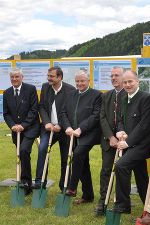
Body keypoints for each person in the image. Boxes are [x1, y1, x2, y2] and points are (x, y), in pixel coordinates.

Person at [60, 69, 102, 204]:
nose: (79, 83)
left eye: (82, 81)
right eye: (77, 81)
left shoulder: (97, 95)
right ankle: (88, 195)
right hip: (72, 134)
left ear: (88, 81)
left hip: (90, 134)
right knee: (83, 164)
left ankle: (72, 187)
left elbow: (96, 116)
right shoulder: (70, 95)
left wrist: (80, 128)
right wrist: (67, 127)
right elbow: (63, 113)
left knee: (78, 154)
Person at [33, 66, 75, 191]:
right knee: (42, 149)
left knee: (66, 156)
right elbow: (41, 107)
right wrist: (46, 122)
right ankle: (40, 182)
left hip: (65, 129)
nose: (49, 78)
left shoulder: (70, 90)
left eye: (52, 76)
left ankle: (65, 185)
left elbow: (70, 112)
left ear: (59, 77)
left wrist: (61, 125)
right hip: (48, 128)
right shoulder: (45, 87)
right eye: (48, 76)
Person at [113, 70, 150, 213]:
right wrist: (120, 131)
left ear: (137, 82)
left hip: (144, 144)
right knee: (141, 176)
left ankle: (123, 205)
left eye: (130, 82)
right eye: (125, 82)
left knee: (121, 166)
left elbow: (144, 125)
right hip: (131, 143)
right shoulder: (123, 97)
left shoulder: (146, 98)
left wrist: (127, 143)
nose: (127, 85)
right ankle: (146, 207)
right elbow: (121, 119)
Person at [3, 68, 40, 195]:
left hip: (30, 128)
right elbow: (6, 113)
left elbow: (34, 110)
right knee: (22, 154)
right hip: (16, 130)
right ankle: (27, 182)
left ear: (22, 77)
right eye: (12, 77)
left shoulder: (30, 89)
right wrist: (13, 125)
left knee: (24, 150)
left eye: (17, 77)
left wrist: (23, 125)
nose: (14, 79)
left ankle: (25, 183)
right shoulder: (7, 93)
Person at [94, 66, 125, 215]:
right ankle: (103, 200)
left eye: (116, 75)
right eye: (111, 76)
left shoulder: (129, 95)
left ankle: (121, 201)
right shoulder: (106, 96)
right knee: (106, 170)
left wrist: (121, 138)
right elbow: (102, 117)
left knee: (123, 171)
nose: (113, 78)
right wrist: (111, 137)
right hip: (108, 140)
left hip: (125, 140)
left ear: (123, 77)